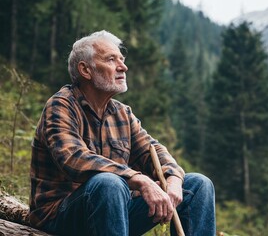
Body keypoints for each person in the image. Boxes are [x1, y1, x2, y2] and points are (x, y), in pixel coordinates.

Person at [29, 30, 216, 236]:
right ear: (85, 70)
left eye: (122, 59)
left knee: (198, 185)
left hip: (113, 213)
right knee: (109, 182)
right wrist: (139, 180)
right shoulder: (61, 105)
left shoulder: (122, 113)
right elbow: (73, 158)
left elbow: (152, 151)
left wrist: (173, 179)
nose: (123, 67)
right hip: (60, 217)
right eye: (111, 59)